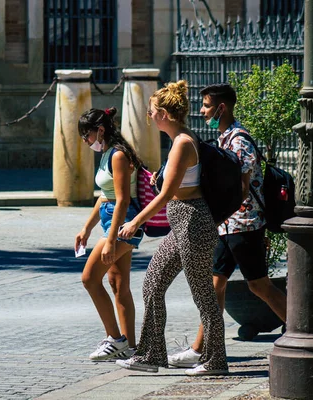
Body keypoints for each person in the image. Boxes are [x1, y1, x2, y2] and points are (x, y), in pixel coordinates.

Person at [167, 83, 287, 369]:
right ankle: (200, 349)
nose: (202, 110)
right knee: (215, 286)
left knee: (259, 286)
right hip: (229, 225)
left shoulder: (238, 140)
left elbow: (243, 188)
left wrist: (218, 215)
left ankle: (303, 329)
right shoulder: (225, 137)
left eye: (207, 106)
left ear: (221, 108)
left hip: (243, 224)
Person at [115, 81, 228, 376]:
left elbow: (166, 196)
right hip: (183, 220)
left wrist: (135, 221)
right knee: (153, 282)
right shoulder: (181, 139)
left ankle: (216, 361)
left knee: (203, 294)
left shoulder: (182, 143)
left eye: (151, 112)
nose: (149, 117)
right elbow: (174, 187)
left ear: (163, 113)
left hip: (192, 221)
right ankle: (151, 355)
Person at [75, 107, 144, 361]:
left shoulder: (118, 156)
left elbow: (123, 200)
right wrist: (87, 228)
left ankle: (115, 339)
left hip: (123, 224)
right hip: (111, 222)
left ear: (100, 130)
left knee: (89, 279)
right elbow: (105, 196)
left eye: (87, 135)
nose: (85, 141)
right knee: (118, 284)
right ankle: (131, 349)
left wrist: (111, 240)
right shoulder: (107, 154)